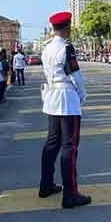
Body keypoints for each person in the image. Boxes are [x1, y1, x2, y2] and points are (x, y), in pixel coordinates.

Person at [39, 11, 90, 209]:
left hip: (52, 97)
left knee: (52, 143)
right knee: (70, 146)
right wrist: (82, 94)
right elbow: (75, 75)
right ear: (67, 27)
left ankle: (46, 185)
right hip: (67, 98)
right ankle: (70, 194)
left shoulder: (47, 49)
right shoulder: (66, 48)